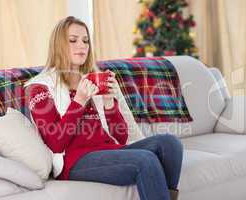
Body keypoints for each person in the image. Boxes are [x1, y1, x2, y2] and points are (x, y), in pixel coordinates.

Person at [25, 16, 183, 200]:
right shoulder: (39, 87)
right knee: (145, 160)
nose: (82, 45)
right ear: (58, 45)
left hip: (108, 150)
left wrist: (109, 103)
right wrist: (79, 101)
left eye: (85, 41)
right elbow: (55, 142)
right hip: (73, 160)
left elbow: (121, 137)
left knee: (170, 144)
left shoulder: (92, 79)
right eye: (73, 40)